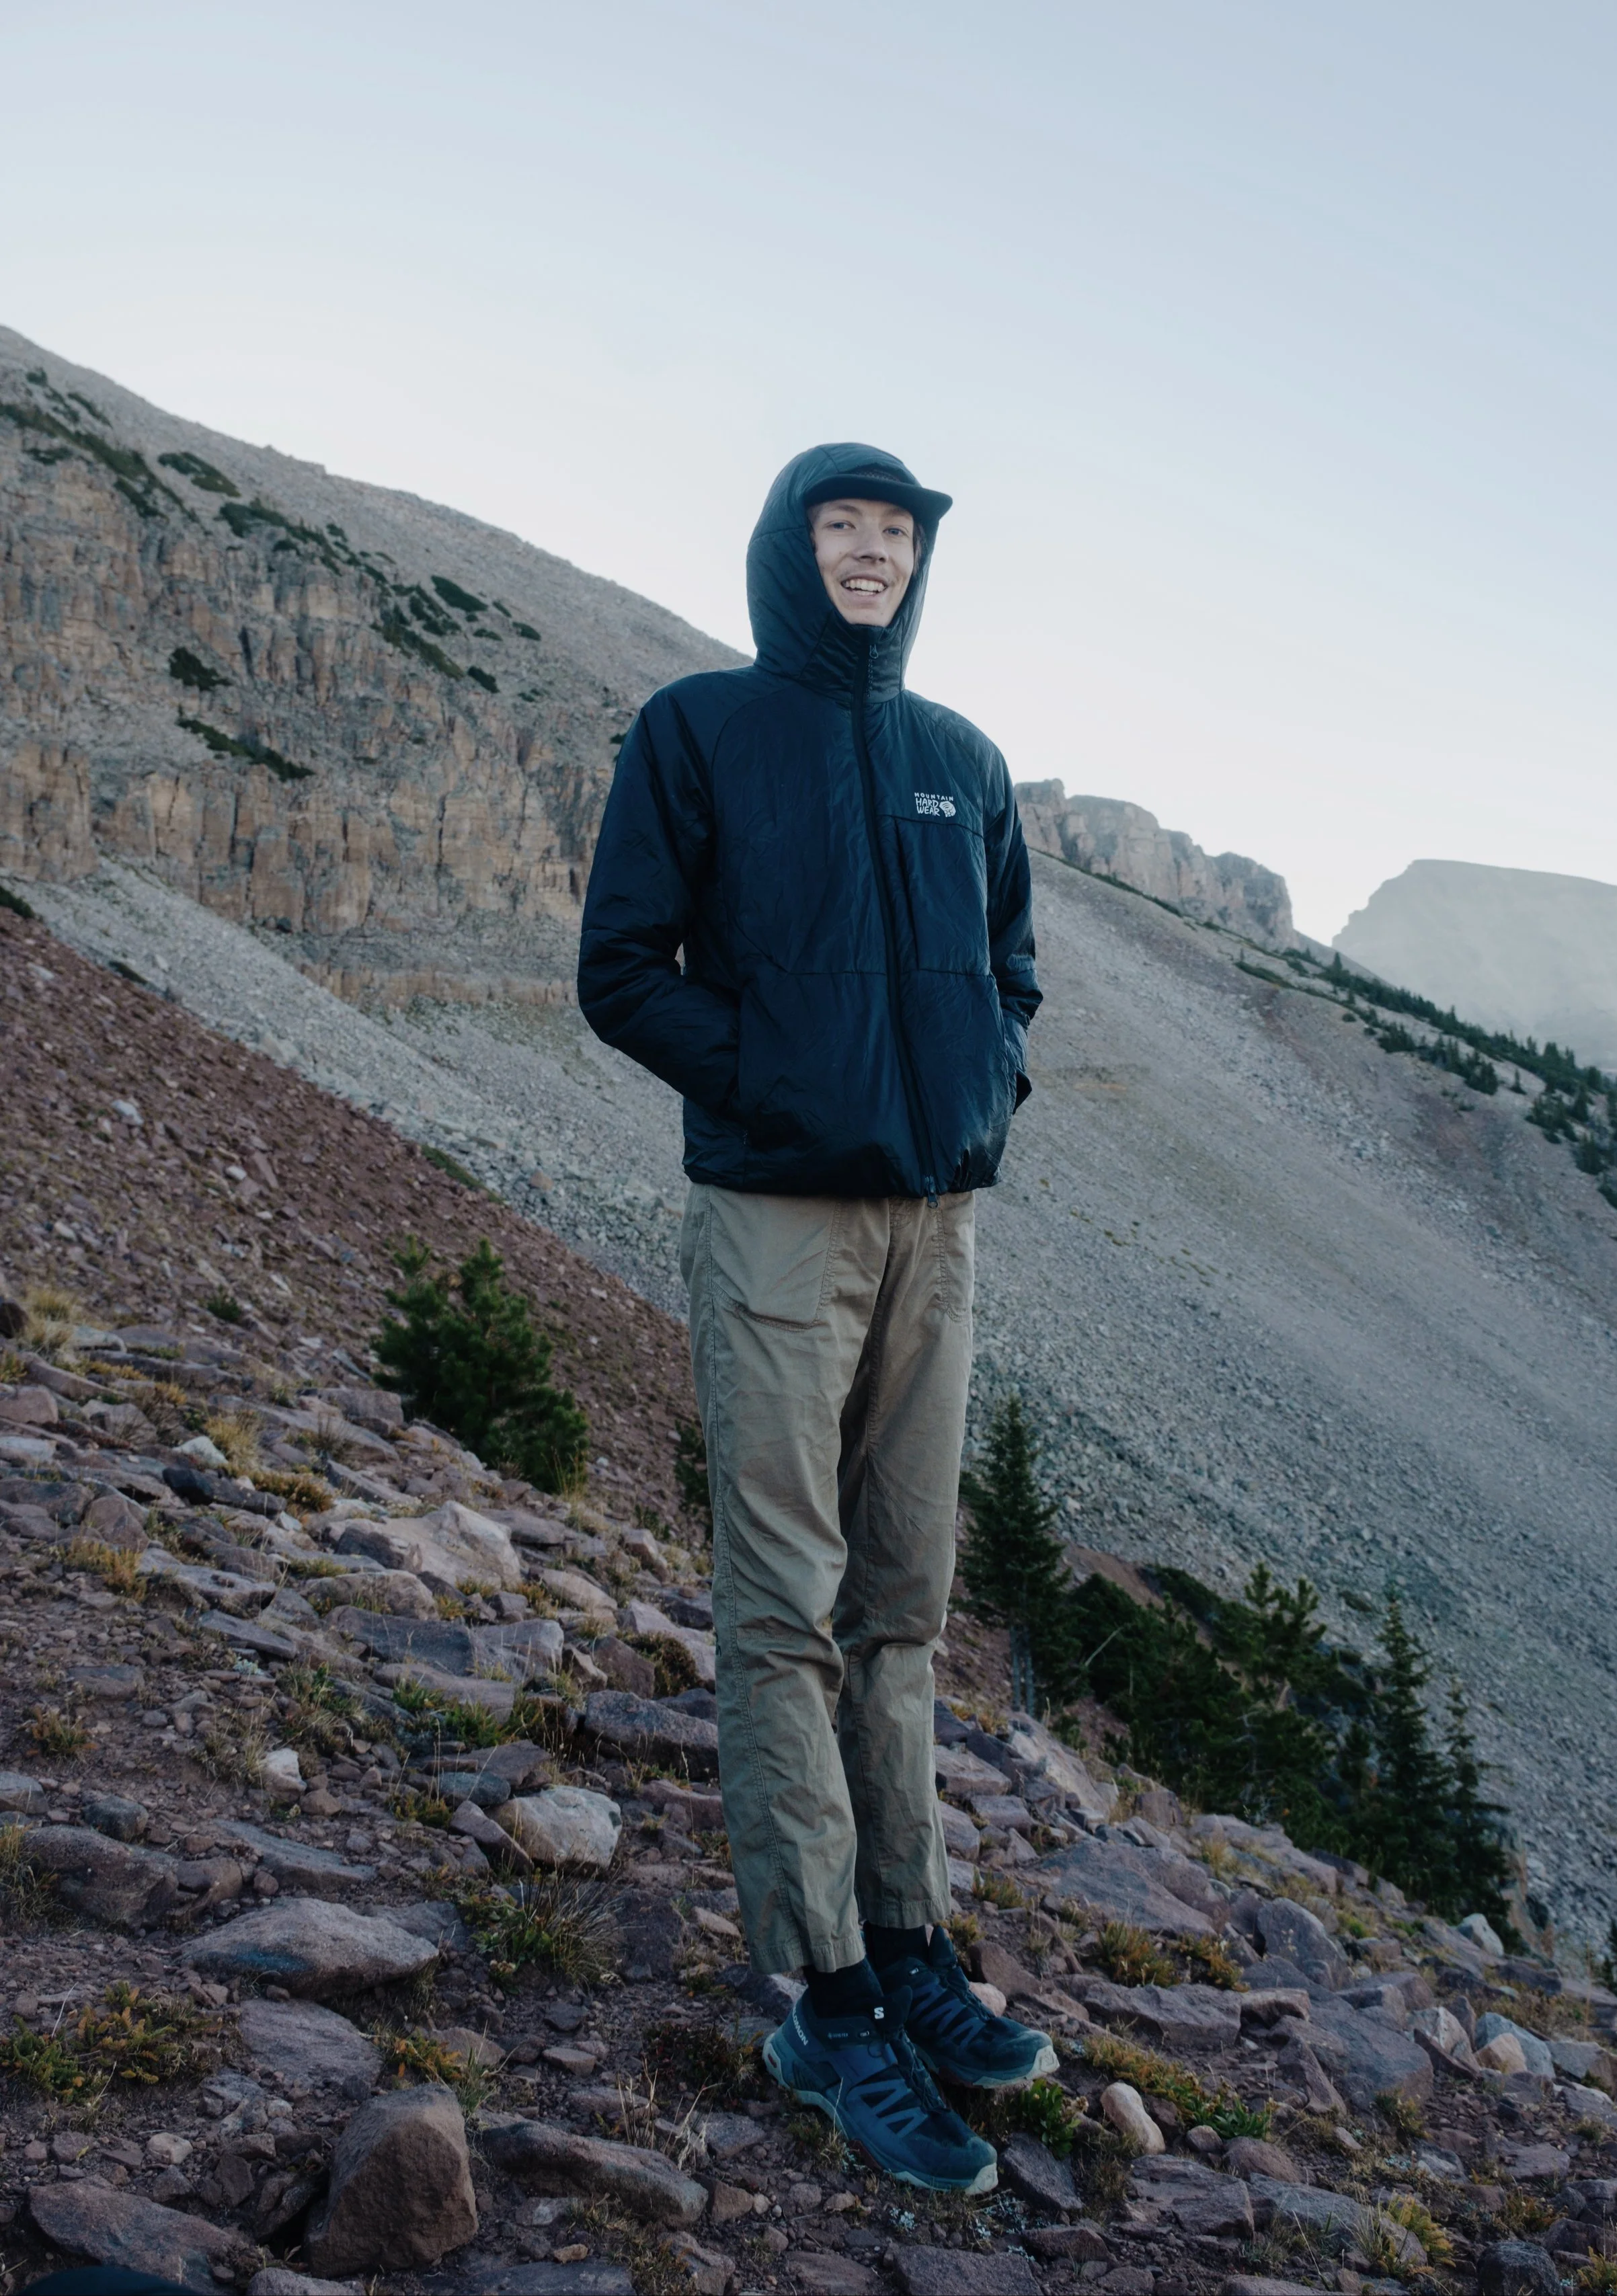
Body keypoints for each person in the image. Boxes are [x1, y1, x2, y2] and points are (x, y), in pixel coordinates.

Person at [578, 442, 1047, 2192]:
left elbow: (1010, 970)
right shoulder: (701, 729)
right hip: (776, 1220)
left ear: (920, 562)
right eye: (843, 526)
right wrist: (772, 1084)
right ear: (793, 547)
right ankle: (823, 1994)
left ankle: (909, 1942)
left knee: (904, 1595)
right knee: (785, 1601)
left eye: (897, 532)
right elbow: (618, 965)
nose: (872, 551)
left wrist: (982, 1091)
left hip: (936, 1224)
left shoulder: (960, 762)